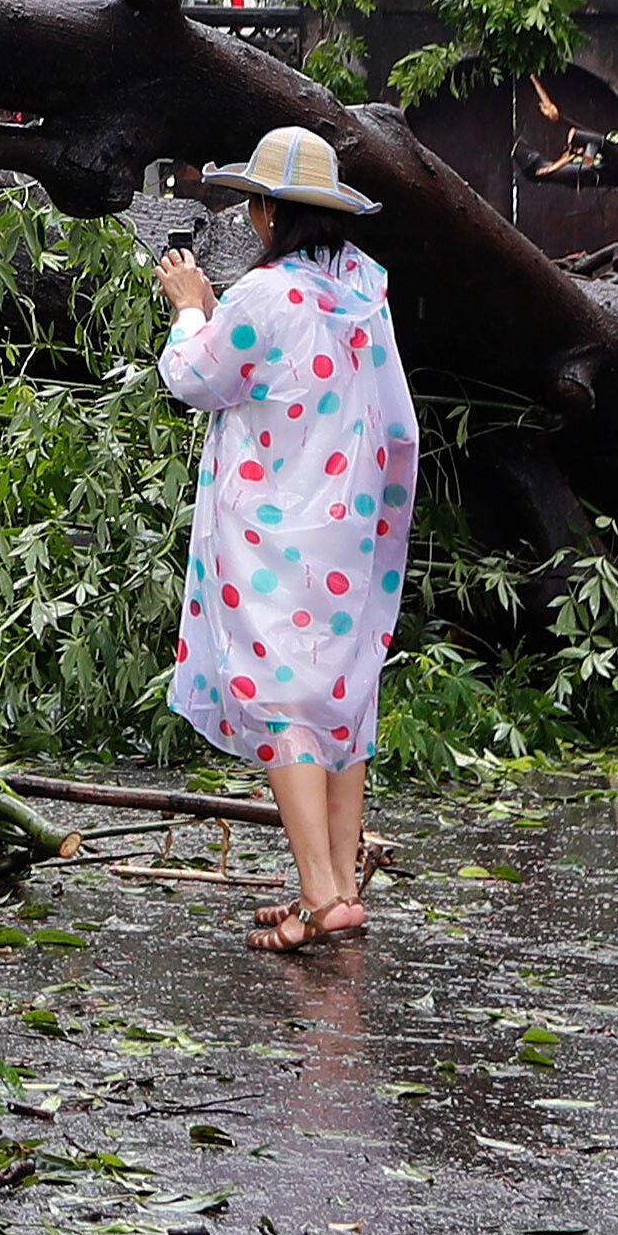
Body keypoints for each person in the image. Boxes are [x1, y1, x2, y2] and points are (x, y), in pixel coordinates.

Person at [153, 124, 418, 949]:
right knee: (339, 697)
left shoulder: (266, 296)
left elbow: (194, 378)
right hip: (348, 525)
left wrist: (191, 304)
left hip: (270, 525)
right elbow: (398, 422)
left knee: (278, 698)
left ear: (268, 211)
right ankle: (338, 883)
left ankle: (315, 894)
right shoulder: (363, 291)